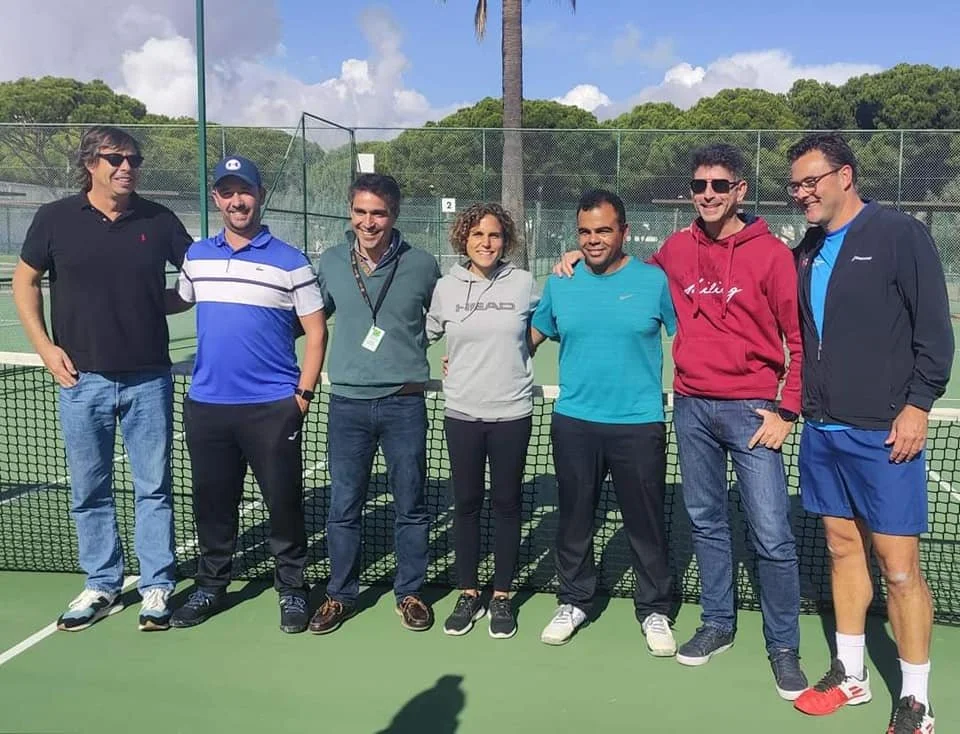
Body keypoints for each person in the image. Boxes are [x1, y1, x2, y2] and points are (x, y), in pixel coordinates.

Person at [555, 144, 807, 698]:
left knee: (771, 533)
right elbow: (623, 272)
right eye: (700, 186)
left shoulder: (772, 256)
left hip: (753, 410)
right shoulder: (675, 248)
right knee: (707, 522)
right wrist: (575, 258)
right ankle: (717, 624)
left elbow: (799, 337)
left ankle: (783, 647)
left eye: (720, 185)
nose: (709, 195)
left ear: (740, 189)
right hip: (691, 405)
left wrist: (788, 409)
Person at [787, 133, 953, 733]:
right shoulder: (804, 249)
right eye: (796, 184)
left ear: (846, 175)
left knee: (900, 567)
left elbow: (934, 329)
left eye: (812, 181)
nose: (802, 193)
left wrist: (918, 406)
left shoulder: (898, 235)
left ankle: (916, 700)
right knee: (839, 546)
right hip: (822, 428)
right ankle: (850, 673)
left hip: (885, 432)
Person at [12, 125, 193, 631]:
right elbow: (25, 281)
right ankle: (102, 583)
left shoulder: (159, 220)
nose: (127, 166)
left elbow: (197, 273)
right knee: (90, 489)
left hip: (148, 378)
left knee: (153, 488)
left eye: (133, 158)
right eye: (115, 158)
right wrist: (46, 349)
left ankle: (157, 584)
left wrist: (174, 299)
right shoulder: (54, 219)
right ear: (90, 163)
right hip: (80, 381)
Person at [168, 156, 327, 633]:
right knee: (213, 502)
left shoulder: (292, 261)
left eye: (246, 191)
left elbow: (316, 333)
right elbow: (182, 300)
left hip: (272, 409)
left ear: (260, 196)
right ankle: (211, 585)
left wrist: (301, 394)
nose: (237, 200)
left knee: (283, 502)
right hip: (207, 407)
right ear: (217, 198)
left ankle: (293, 589)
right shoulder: (196, 257)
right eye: (227, 192)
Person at [531, 189, 677, 653]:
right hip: (575, 421)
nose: (593, 240)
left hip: (639, 423)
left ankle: (654, 609)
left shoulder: (655, 282)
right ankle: (574, 599)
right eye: (585, 232)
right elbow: (531, 337)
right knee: (574, 518)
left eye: (604, 230)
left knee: (646, 522)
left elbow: (690, 335)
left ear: (624, 232)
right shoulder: (561, 281)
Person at [309, 173, 441, 634]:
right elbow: (310, 322)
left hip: (404, 405)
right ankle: (340, 595)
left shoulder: (423, 265)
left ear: (394, 215)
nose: (369, 222)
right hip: (346, 404)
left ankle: (409, 593)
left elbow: (449, 315)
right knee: (344, 505)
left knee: (411, 504)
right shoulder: (329, 262)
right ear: (351, 213)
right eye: (361, 212)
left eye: (379, 213)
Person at [425, 202, 539, 639]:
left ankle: (503, 596)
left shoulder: (524, 283)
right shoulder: (446, 287)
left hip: (512, 412)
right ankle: (469, 591)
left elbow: (543, 322)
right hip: (463, 413)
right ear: (463, 239)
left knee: (508, 506)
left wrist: (522, 353)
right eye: (477, 235)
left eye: (493, 235)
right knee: (467, 505)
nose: (486, 243)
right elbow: (428, 332)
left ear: (504, 240)